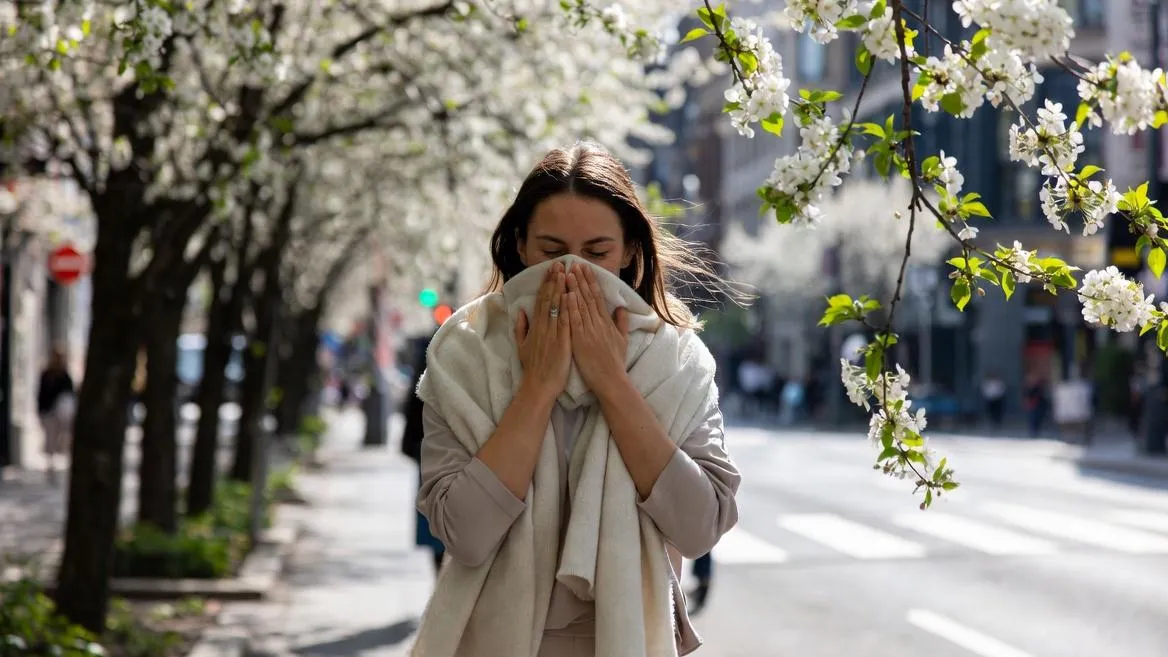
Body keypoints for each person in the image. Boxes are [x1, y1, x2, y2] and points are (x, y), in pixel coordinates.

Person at [411, 142, 740, 657]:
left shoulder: (676, 361)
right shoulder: (466, 356)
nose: (572, 271)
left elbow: (699, 528)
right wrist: (538, 387)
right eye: (552, 250)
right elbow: (464, 534)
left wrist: (611, 382)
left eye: (596, 253)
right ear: (520, 245)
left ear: (629, 251)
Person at [400, 334, 446, 577]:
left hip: (431, 451)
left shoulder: (434, 346)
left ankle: (442, 586)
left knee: (439, 534)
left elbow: (414, 402)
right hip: (435, 450)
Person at [37, 347, 75, 485]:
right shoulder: (47, 374)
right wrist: (40, 412)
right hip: (49, 413)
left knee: (60, 440)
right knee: (51, 439)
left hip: (60, 414)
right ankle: (51, 466)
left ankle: (56, 465)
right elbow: (40, 394)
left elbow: (70, 395)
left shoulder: (65, 376)